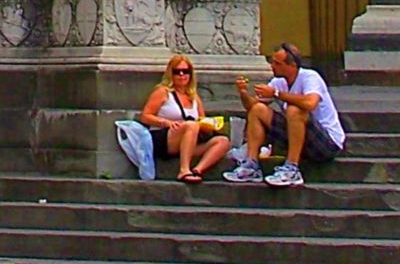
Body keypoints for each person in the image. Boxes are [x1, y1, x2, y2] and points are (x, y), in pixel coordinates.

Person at [224, 42, 346, 187]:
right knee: (258, 110)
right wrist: (243, 93)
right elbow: (252, 107)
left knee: (294, 110)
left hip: (326, 143)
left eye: (277, 63)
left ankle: (292, 169)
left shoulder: (310, 77)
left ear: (292, 65)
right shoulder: (278, 81)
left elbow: (310, 103)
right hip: (300, 140)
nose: (272, 66)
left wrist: (277, 94)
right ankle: (251, 165)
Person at [140, 54, 230, 183]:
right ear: (171, 74)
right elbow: (145, 116)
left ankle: (197, 170)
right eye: (177, 72)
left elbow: (202, 119)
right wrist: (166, 122)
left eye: (186, 71)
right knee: (191, 125)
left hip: (189, 140)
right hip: (164, 137)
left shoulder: (194, 97)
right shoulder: (163, 92)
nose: (182, 75)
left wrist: (208, 126)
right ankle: (184, 169)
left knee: (223, 141)